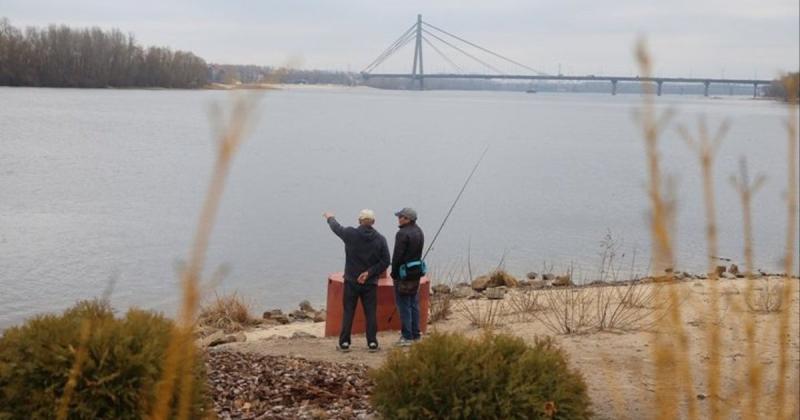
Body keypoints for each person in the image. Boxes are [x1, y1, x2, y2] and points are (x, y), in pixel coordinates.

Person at [323, 209, 390, 353]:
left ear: (359, 221)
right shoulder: (380, 239)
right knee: (370, 313)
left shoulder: (350, 234)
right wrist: (369, 273)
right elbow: (386, 261)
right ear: (373, 222)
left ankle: (344, 343)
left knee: (348, 312)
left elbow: (336, 228)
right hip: (370, 283)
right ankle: (372, 342)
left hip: (351, 281)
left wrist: (330, 217)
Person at [390, 207, 425, 347]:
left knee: (403, 305)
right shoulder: (419, 231)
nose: (399, 219)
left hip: (403, 274)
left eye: (401, 217)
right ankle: (416, 334)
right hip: (416, 272)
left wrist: (394, 272)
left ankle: (407, 336)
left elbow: (397, 256)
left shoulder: (402, 233)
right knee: (413, 303)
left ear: (408, 219)